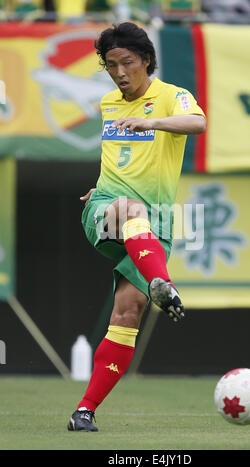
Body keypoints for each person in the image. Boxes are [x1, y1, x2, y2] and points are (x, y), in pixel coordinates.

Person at [67, 22, 206, 432]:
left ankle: (84, 411)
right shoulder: (110, 103)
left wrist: (153, 123)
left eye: (127, 62)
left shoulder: (172, 96)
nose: (119, 72)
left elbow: (197, 124)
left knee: (129, 312)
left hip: (153, 223)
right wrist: (99, 189)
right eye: (111, 65)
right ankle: (164, 284)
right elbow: (118, 161)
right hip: (109, 209)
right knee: (127, 208)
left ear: (146, 60)